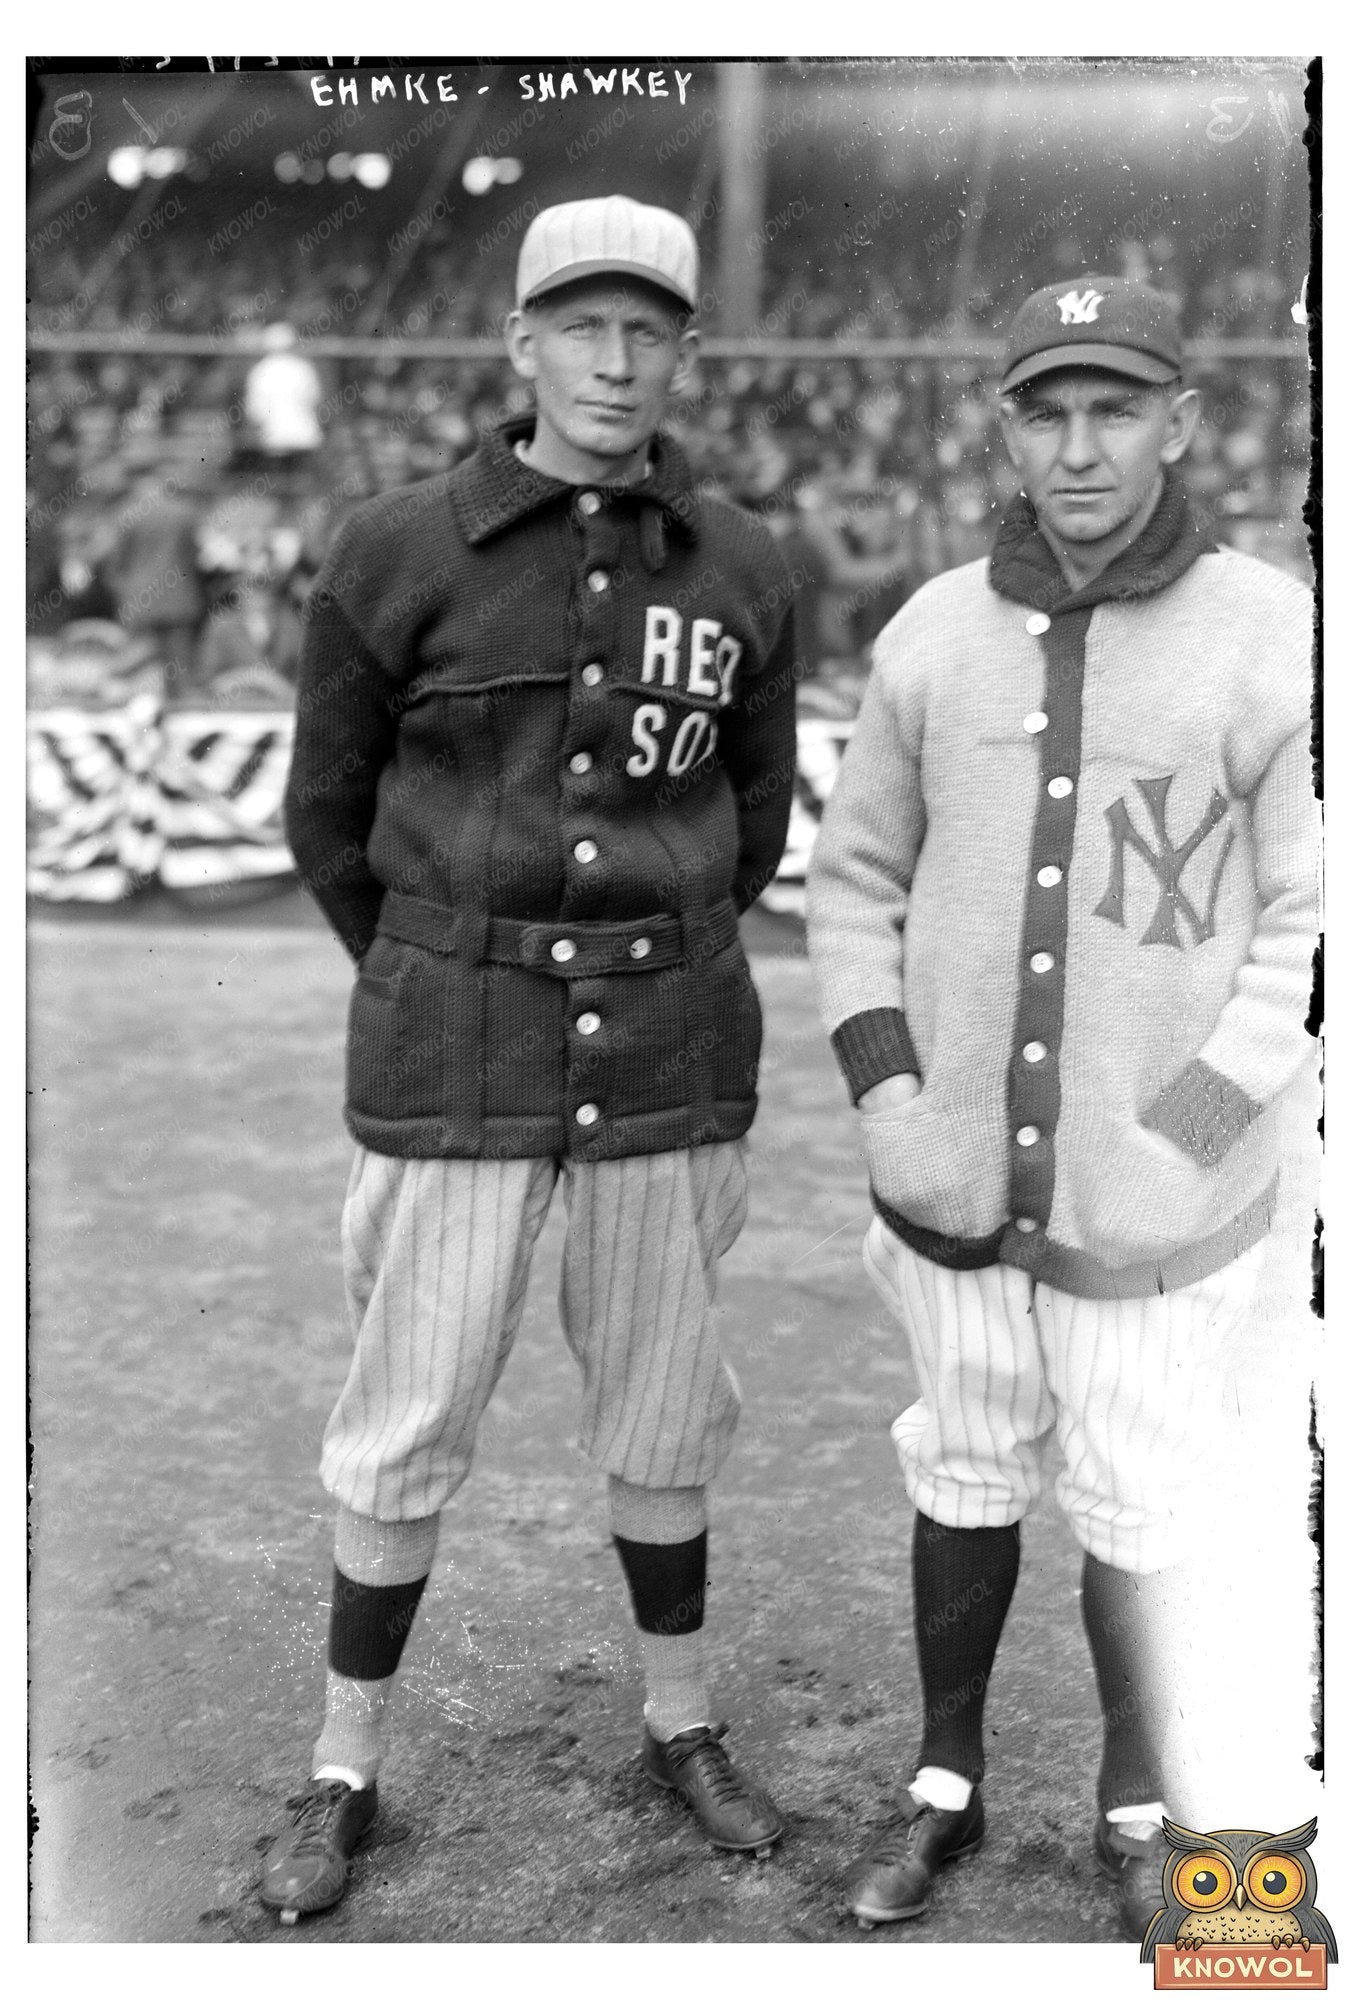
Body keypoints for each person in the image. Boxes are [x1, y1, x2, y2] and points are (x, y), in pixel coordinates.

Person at [264, 196, 799, 1922]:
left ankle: (679, 1721)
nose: (616, 359)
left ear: (684, 351)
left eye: (649, 329)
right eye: (583, 325)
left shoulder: (741, 563)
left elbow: (755, 823)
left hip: (666, 1040)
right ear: (520, 341)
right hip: (455, 1044)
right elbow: (326, 821)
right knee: (403, 1420)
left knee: (662, 1410)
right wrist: (442, 974)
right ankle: (343, 1764)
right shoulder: (393, 545)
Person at [806, 276, 1316, 1937]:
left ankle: (1137, 1802)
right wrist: (888, 1083)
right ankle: (940, 1785)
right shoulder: (931, 630)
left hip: (1158, 1188)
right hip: (949, 1169)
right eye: (1047, 412)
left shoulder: (1274, 629)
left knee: (1139, 1491)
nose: (1079, 446)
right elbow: (851, 879)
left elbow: (1312, 921)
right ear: (1001, 431)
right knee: (959, 1466)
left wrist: (1190, 1121)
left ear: (1180, 422)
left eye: (1115, 410)